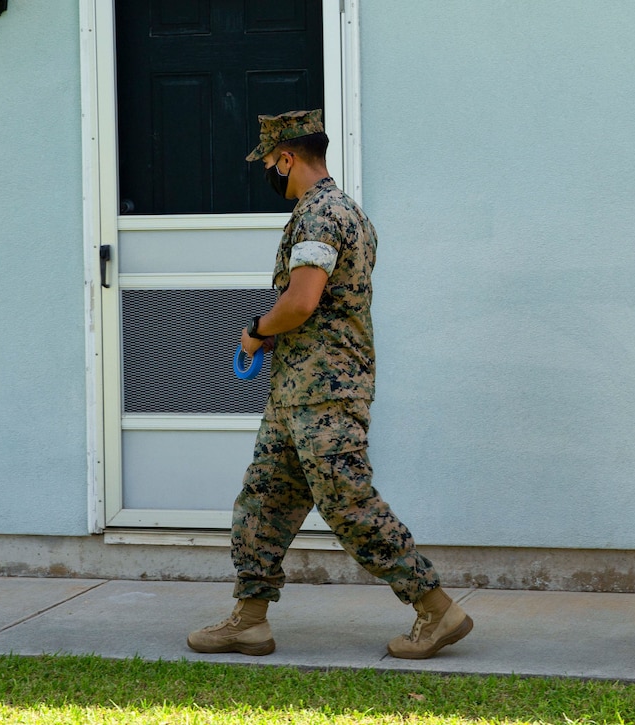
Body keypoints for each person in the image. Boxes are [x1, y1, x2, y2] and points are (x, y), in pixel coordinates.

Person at [187, 109, 473, 660]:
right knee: (262, 504)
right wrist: (279, 335)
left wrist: (255, 331)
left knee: (347, 503)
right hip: (296, 390)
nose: (269, 172)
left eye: (270, 163)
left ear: (288, 158)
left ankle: (437, 609)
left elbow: (300, 300)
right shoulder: (337, 213)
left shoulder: (321, 216)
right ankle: (249, 621)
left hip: (326, 390)